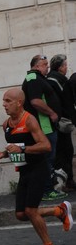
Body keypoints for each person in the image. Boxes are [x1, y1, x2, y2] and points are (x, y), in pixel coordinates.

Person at [0, 88, 72, 245]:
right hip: (24, 171)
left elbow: (46, 146)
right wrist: (5, 154)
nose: (4, 104)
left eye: (8, 101)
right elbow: (15, 146)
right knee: (21, 214)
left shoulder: (29, 120)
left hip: (38, 168)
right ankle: (59, 211)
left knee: (31, 210)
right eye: (3, 101)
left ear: (19, 103)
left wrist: (22, 149)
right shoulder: (6, 125)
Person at [21, 54, 66, 201]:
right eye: (44, 64)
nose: (47, 66)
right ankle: (47, 190)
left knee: (48, 158)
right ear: (36, 66)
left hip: (46, 126)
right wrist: (52, 113)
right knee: (47, 158)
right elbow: (35, 101)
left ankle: (45, 189)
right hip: (43, 126)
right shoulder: (33, 79)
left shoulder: (38, 78)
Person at [47, 55, 76, 191]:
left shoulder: (54, 79)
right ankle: (63, 182)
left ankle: (66, 180)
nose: (66, 68)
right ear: (59, 67)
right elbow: (64, 100)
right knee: (64, 151)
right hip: (60, 121)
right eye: (64, 65)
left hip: (59, 120)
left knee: (65, 151)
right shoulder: (57, 80)